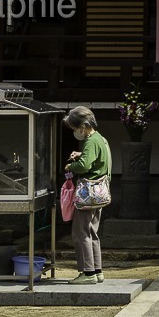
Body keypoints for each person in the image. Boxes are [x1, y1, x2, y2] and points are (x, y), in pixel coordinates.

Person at [63, 106, 112, 284]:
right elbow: (99, 161)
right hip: (100, 192)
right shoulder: (101, 139)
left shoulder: (90, 141)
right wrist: (81, 155)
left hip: (87, 194)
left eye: (75, 128)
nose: (75, 132)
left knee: (80, 232)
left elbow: (84, 166)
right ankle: (97, 271)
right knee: (92, 231)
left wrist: (71, 166)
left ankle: (88, 272)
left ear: (83, 126)